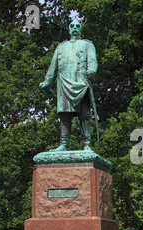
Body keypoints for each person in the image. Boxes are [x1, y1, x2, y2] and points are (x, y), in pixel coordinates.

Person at [40, 20, 98, 152]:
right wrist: (47, 81)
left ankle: (86, 144)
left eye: (78, 26)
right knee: (64, 115)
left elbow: (92, 62)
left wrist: (92, 70)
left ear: (81, 29)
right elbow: (53, 66)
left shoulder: (87, 44)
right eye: (72, 26)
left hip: (81, 83)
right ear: (69, 29)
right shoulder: (61, 47)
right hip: (64, 83)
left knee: (84, 115)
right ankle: (64, 144)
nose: (75, 28)